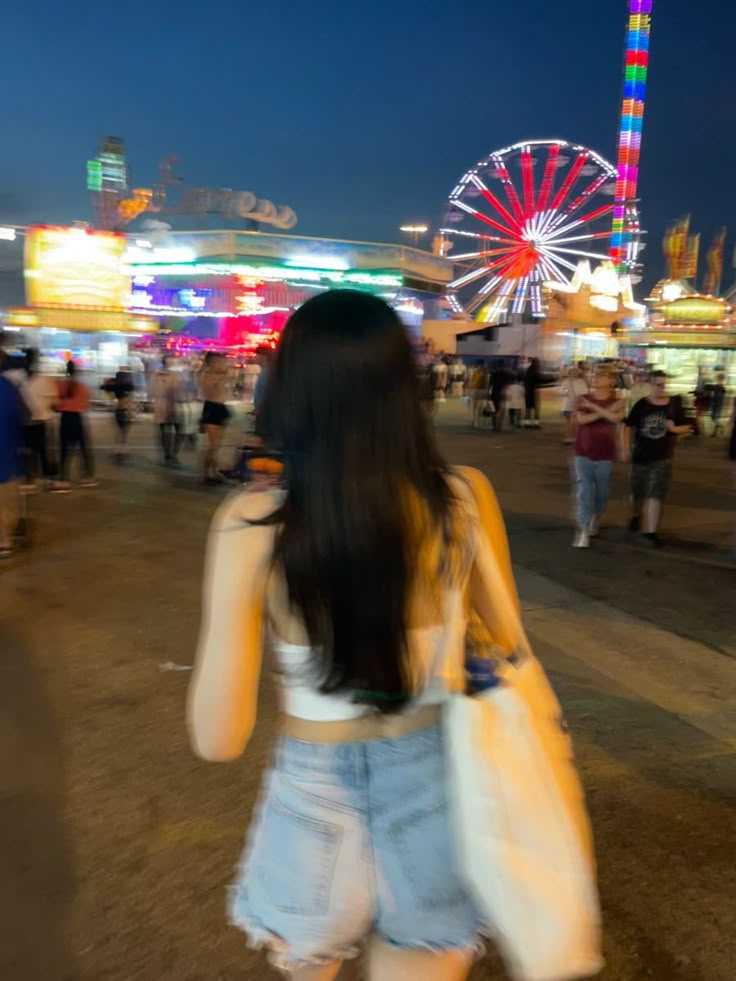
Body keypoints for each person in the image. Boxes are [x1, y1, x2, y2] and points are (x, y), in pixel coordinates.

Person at [187, 290, 520, 981]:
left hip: (313, 796)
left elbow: (218, 739)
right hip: (439, 784)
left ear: (290, 389)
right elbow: (511, 646)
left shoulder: (254, 521)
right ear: (406, 387)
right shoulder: (465, 498)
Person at [623, 370, 691, 547]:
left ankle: (651, 532)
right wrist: (625, 448)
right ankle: (636, 514)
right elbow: (628, 426)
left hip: (662, 457)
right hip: (640, 455)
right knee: (637, 492)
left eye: (664, 384)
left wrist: (675, 430)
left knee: (656, 494)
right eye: (657, 384)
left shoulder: (674, 404)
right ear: (650, 385)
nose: (661, 388)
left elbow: (687, 426)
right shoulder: (641, 405)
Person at [572, 365, 625, 548]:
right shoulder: (582, 398)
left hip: (605, 454)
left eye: (601, 375)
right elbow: (582, 420)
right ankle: (583, 530)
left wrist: (594, 408)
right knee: (584, 492)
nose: (596, 378)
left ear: (611, 380)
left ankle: (595, 516)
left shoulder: (617, 400)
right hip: (583, 453)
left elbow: (616, 419)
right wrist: (605, 411)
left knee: (602, 494)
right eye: (594, 374)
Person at [53, 361, 96, 493]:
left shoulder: (61, 385)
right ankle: (88, 477)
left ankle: (63, 480)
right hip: (77, 418)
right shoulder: (82, 387)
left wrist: (60, 406)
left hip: (65, 419)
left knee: (65, 449)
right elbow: (86, 404)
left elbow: (57, 405)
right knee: (83, 448)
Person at [0, 351, 26, 558]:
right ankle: (5, 540)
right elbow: (22, 418)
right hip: (6, 453)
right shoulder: (8, 388)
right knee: (6, 499)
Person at [20, 349, 57, 489]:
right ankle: (46, 478)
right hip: (40, 421)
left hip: (28, 422)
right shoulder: (44, 380)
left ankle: (31, 478)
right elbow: (55, 402)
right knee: (43, 451)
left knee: (30, 451)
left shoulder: (22, 380)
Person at [199, 351, 231, 483]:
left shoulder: (221, 374)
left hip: (220, 407)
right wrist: (220, 379)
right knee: (213, 445)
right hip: (212, 408)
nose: (222, 364)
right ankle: (208, 473)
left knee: (217, 445)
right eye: (218, 361)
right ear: (211, 363)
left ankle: (214, 471)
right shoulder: (208, 375)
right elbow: (208, 392)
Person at [151, 356, 184, 466]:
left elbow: (151, 391)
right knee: (179, 430)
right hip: (172, 405)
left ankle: (168, 453)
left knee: (165, 431)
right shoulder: (176, 375)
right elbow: (178, 391)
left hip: (160, 406)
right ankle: (172, 453)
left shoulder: (155, 375)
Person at [100, 367, 135, 464]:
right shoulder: (127, 387)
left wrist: (111, 381)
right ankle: (122, 448)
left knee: (120, 430)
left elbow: (103, 386)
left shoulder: (117, 388)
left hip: (118, 410)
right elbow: (131, 396)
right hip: (126, 410)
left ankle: (118, 448)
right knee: (123, 431)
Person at [561, 365, 588, 445]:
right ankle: (571, 438)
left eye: (575, 372)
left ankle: (574, 438)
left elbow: (563, 393)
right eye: (573, 372)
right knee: (570, 422)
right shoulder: (567, 382)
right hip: (569, 404)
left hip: (574, 404)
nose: (574, 373)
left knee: (575, 422)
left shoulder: (568, 381)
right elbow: (563, 393)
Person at [523, 357, 542, 427]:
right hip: (534, 391)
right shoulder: (535, 370)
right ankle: (536, 424)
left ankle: (526, 424)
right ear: (536, 362)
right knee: (536, 408)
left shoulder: (528, 370)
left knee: (528, 408)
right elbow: (540, 379)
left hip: (527, 392)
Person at [468, 360, 487, 428]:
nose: (485, 366)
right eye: (484, 364)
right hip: (477, 390)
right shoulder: (476, 372)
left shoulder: (484, 372)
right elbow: (472, 381)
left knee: (479, 407)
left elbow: (486, 383)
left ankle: (477, 421)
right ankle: (474, 421)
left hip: (480, 390)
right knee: (476, 407)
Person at [709, 372, 727, 437]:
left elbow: (717, 397)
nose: (717, 379)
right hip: (719, 404)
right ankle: (714, 433)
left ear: (719, 378)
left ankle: (721, 426)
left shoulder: (718, 386)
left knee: (713, 417)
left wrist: (713, 403)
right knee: (716, 418)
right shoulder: (721, 387)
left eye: (718, 378)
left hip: (716, 404)